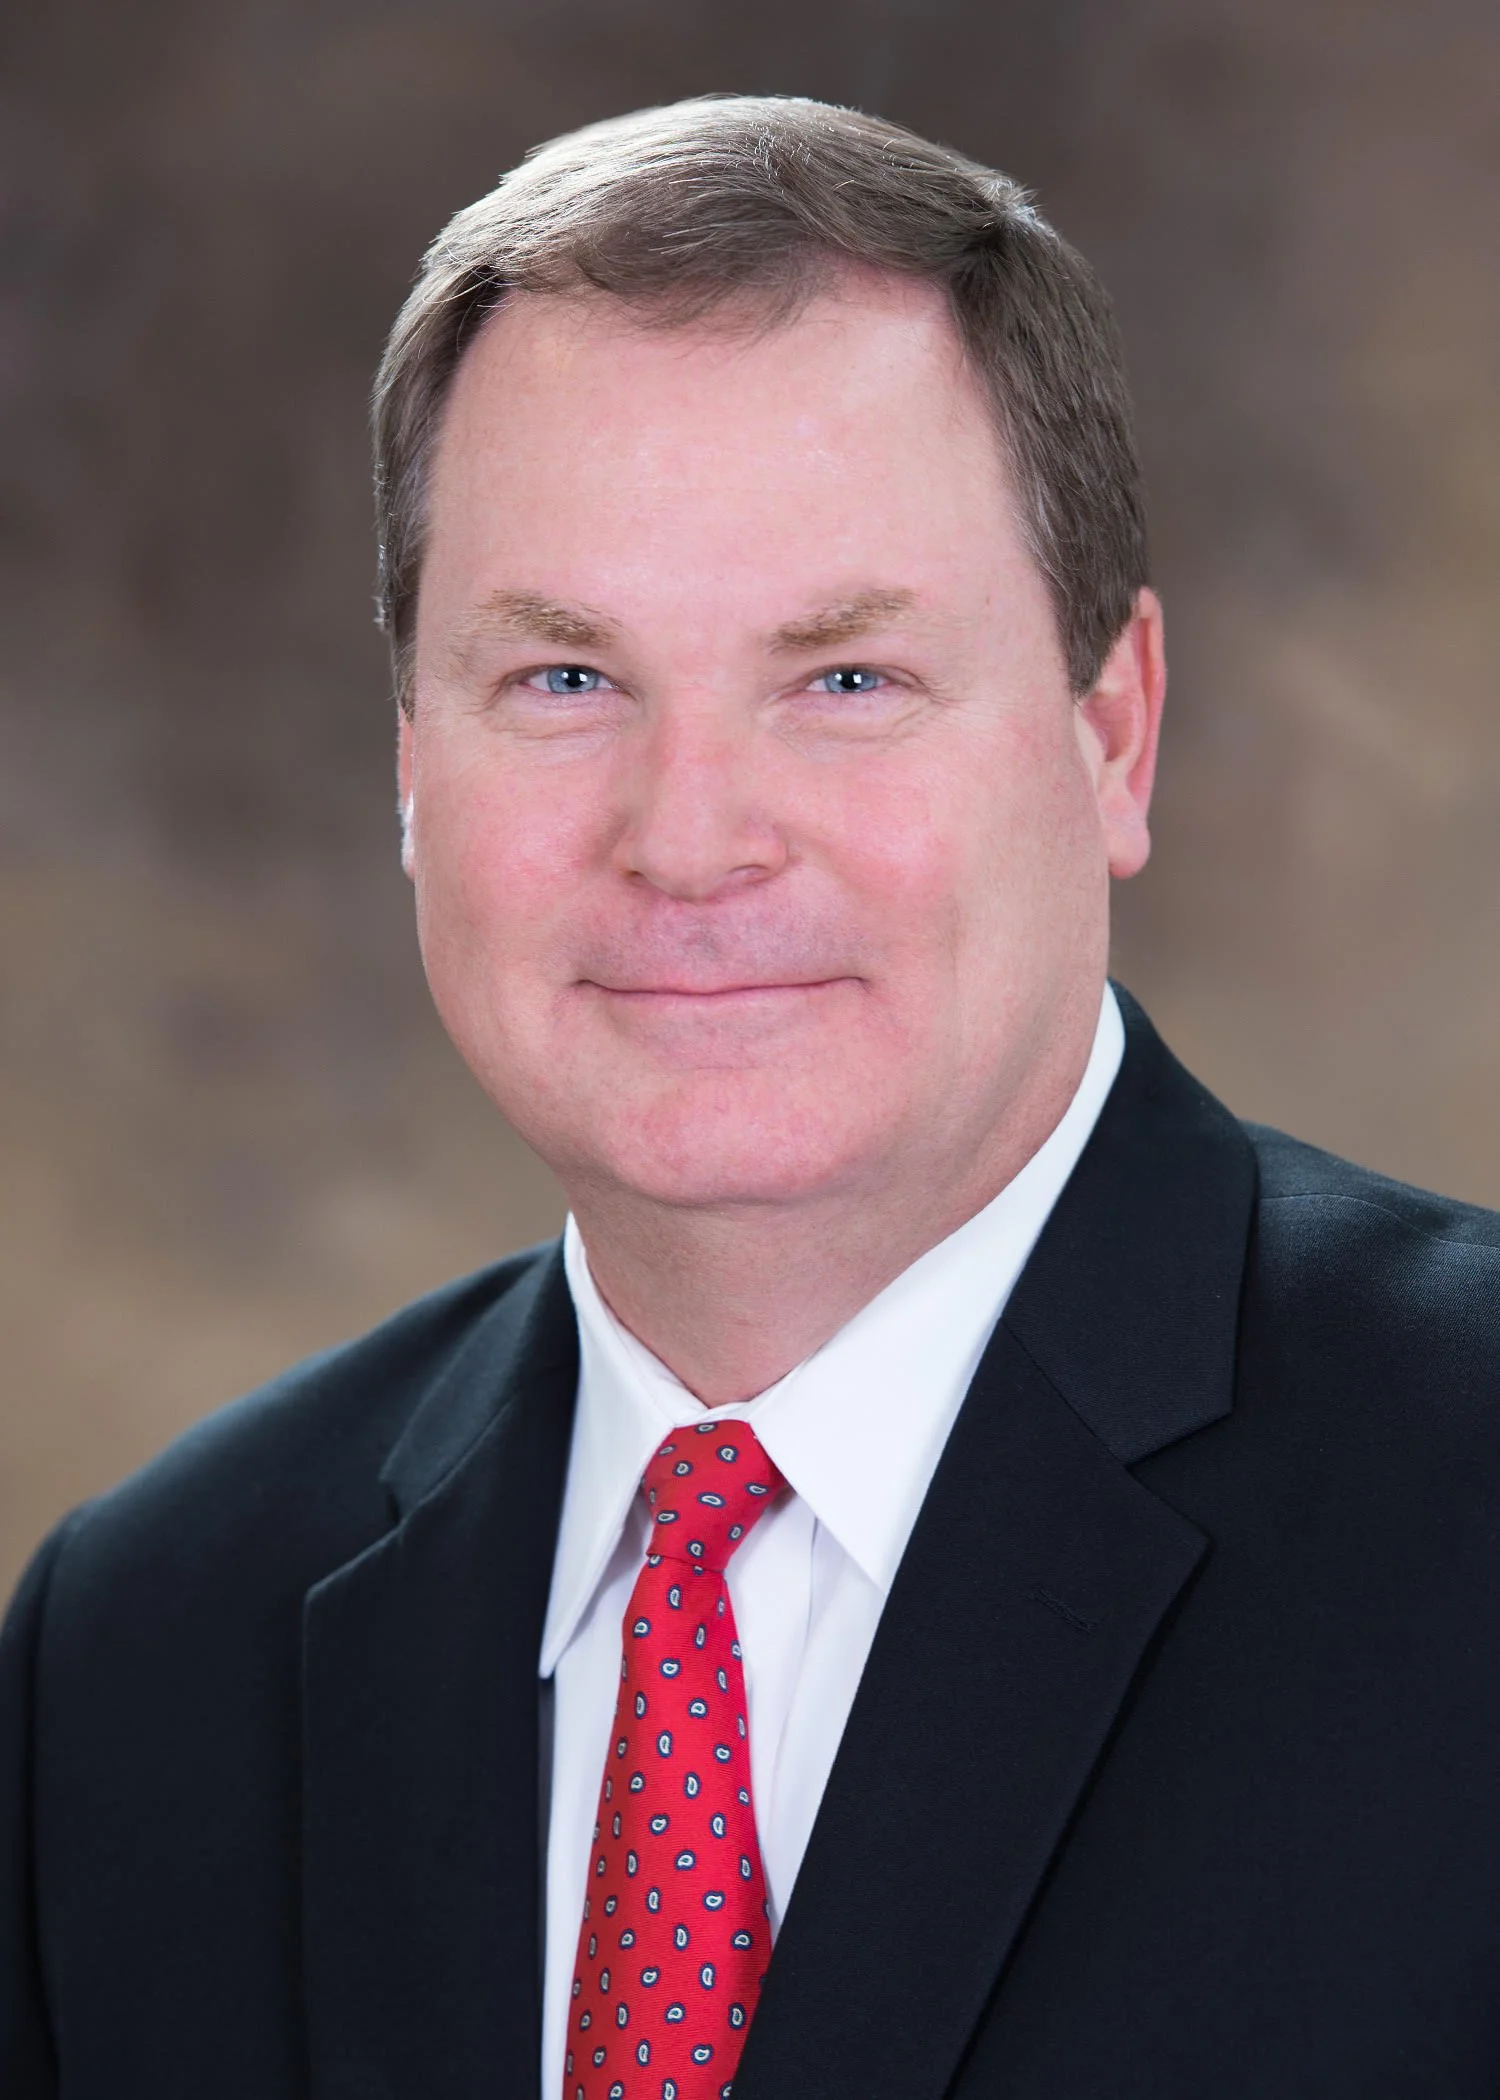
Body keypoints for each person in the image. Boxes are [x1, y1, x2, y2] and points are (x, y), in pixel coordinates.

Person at [3, 93, 1499, 2100]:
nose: (691, 840)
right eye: (563, 681)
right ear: (411, 764)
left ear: (1113, 733)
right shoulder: (135, 1660)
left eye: (846, 679)